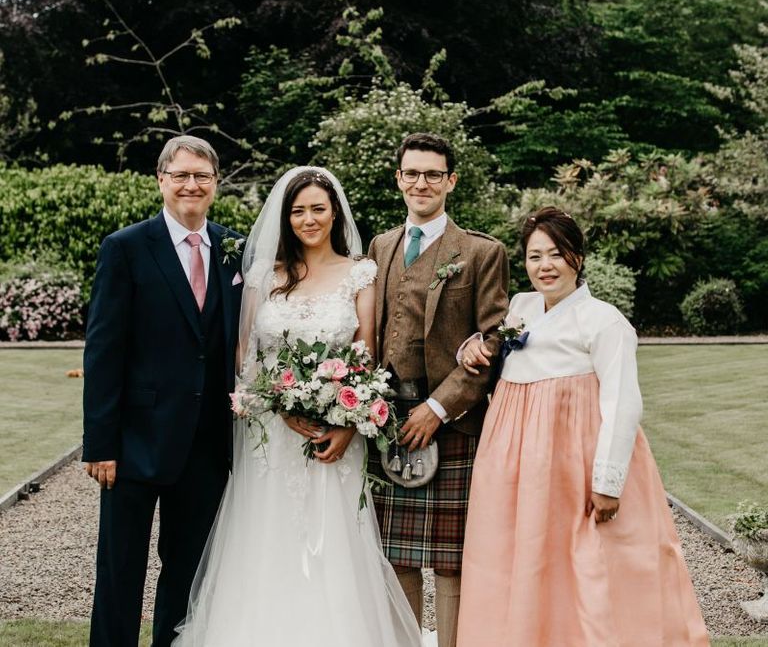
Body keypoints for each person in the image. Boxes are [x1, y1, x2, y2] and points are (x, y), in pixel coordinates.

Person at [172, 167, 423, 647]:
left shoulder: (359, 273)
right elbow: (245, 354)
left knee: (334, 544)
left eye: (318, 209)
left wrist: (347, 423)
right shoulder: (265, 275)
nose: (309, 219)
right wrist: (279, 403)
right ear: (286, 218)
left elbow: (365, 354)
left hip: (335, 436)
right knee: (268, 539)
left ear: (335, 214)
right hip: (272, 437)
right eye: (298, 210)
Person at [456, 207, 710, 646]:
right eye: (535, 257)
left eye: (556, 254)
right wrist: (471, 348)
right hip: (514, 465)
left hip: (573, 460)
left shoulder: (604, 321)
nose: (545, 266)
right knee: (519, 558)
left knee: (586, 562)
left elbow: (623, 403)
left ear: (577, 256)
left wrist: (608, 482)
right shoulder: (520, 308)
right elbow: (497, 357)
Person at [82, 135, 244, 646]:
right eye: (181, 175)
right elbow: (103, 350)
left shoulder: (234, 249)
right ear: (161, 180)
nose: (191, 184)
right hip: (134, 440)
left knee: (188, 569)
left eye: (201, 175)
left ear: (216, 183)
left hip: (206, 443)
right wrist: (101, 443)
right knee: (120, 568)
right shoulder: (126, 248)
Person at [368, 133, 510, 647]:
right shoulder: (380, 246)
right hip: (385, 421)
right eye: (411, 173)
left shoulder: (480, 251)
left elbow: (494, 340)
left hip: (451, 421)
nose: (421, 183)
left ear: (451, 180)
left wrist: (438, 407)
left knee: (451, 562)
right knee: (395, 554)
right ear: (398, 179)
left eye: (432, 174)